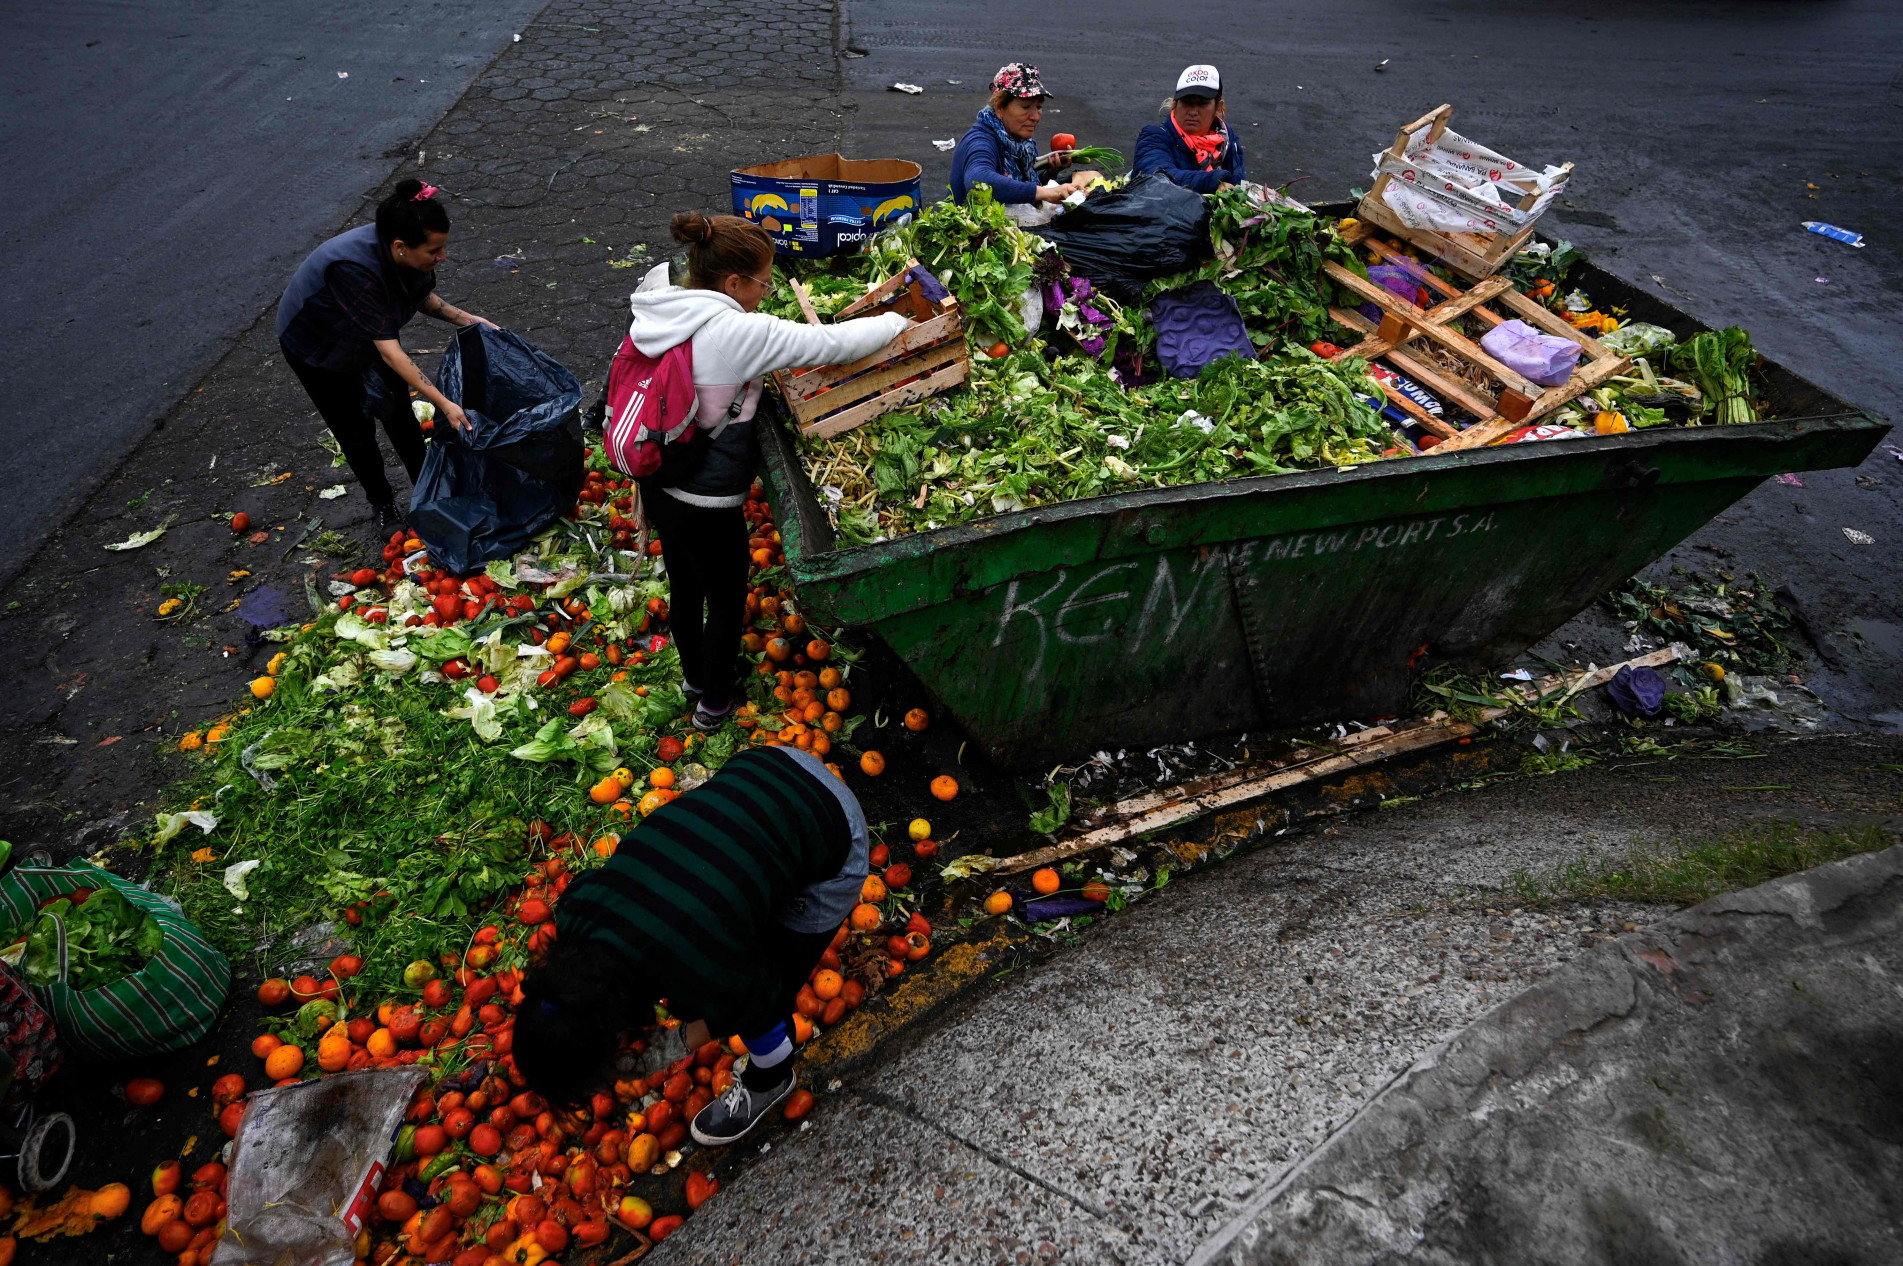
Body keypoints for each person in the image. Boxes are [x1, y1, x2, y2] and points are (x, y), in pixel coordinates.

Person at [627, 213, 907, 730]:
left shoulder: (661, 303)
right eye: (763, 281)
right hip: (706, 498)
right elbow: (833, 345)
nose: (767, 291)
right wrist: (899, 323)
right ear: (732, 283)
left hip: (658, 477)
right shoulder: (738, 331)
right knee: (727, 599)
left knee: (685, 587)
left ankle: (693, 678)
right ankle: (714, 705)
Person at [513, 744, 869, 1145]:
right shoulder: (577, 910)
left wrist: (672, 1046)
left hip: (837, 833)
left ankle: (772, 1077)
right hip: (766, 765)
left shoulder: (694, 962)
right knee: (740, 914)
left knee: (771, 985)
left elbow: (759, 995)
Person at [277, 180, 496, 538]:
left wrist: (476, 323)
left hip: (367, 336)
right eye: (435, 250)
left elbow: (422, 299)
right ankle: (382, 505)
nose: (442, 257)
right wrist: (444, 403)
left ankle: (431, 494)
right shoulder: (354, 269)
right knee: (356, 431)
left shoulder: (407, 252)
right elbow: (390, 351)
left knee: (401, 418)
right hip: (318, 349)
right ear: (400, 247)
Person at [949, 62, 1102, 206]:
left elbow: (1021, 188)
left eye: (1039, 106)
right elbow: (978, 181)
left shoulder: (1020, 145)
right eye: (1026, 107)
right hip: (974, 229)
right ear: (999, 107)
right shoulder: (981, 141)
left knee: (1092, 179)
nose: (1035, 116)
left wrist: (1051, 172)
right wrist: (1046, 192)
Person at [1133, 64, 1246, 194]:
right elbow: (1156, 178)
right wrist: (1215, 183)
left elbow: (1238, 188)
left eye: (1202, 104)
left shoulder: (1228, 140)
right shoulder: (1154, 137)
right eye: (1187, 102)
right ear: (1175, 103)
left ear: (1218, 106)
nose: (1193, 112)